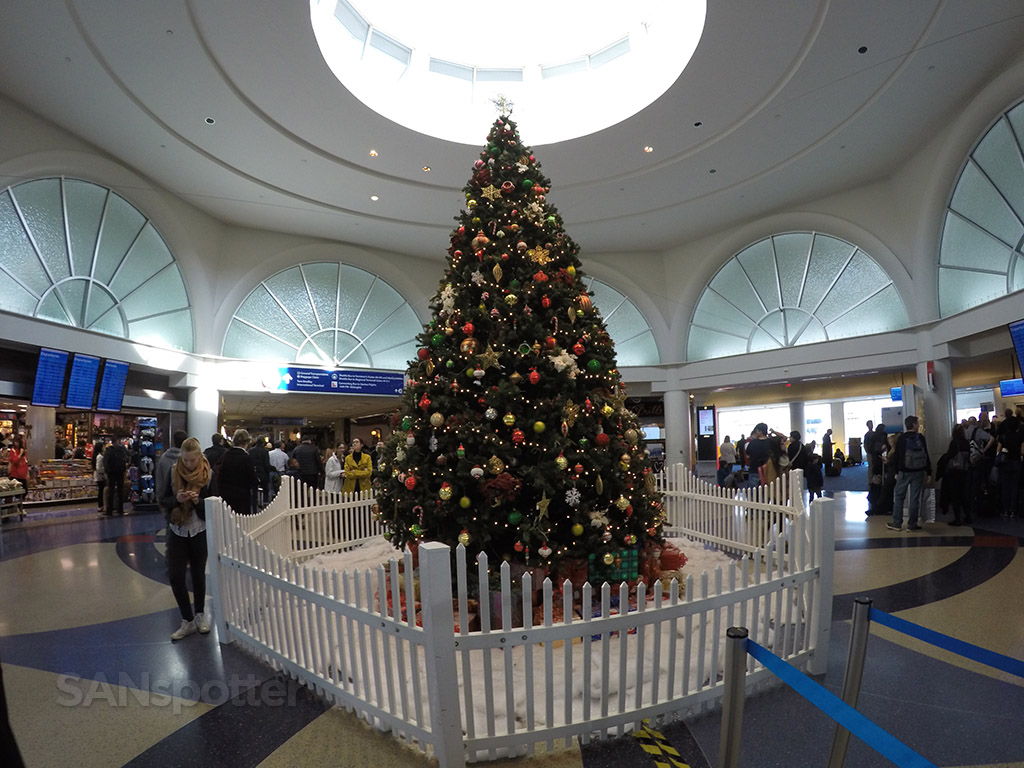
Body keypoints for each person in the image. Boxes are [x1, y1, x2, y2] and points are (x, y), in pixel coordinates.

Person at [160, 436, 213, 641]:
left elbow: (214, 503)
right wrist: (177, 500)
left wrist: (198, 501)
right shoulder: (174, 470)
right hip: (178, 529)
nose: (189, 464)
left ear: (199, 457)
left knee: (198, 575)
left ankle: (199, 615)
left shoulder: (208, 474)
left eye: (192, 460)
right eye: (186, 460)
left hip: (199, 529)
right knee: (175, 576)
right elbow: (163, 498)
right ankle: (187, 619)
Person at [887, 415, 931, 532]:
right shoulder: (920, 438)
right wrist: (929, 472)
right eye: (917, 423)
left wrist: (896, 471)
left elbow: (897, 456)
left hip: (904, 472)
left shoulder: (901, 438)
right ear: (913, 425)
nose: (918, 425)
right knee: (914, 498)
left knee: (899, 496)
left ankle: (897, 523)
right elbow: (926, 455)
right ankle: (912, 524)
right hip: (918, 471)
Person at [217, 429, 260, 515]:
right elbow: (252, 478)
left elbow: (220, 475)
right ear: (246, 443)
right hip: (242, 495)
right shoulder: (246, 458)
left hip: (227, 494)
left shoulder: (226, 455)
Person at [940, 424, 971, 525]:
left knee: (955, 496)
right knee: (964, 495)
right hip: (964, 471)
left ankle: (957, 518)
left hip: (954, 472)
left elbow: (950, 455)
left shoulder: (954, 443)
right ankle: (968, 516)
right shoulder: (966, 443)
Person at [155, 430, 188, 518]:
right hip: (186, 497)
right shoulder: (188, 459)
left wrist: (159, 498)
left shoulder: (164, 457)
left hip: (169, 498)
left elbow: (159, 478)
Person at [995, 416, 1023, 517]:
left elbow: (998, 450)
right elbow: (1022, 451)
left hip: (1005, 463)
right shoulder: (1020, 436)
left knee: (1005, 487)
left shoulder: (1003, 436)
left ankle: (1005, 510)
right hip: (1016, 462)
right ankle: (1013, 510)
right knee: (1014, 487)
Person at [103, 440, 129, 515]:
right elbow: (127, 458)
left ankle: (109, 510)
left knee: (110, 491)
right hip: (120, 472)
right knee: (120, 491)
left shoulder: (109, 450)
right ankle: (120, 509)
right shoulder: (122, 450)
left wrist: (107, 471)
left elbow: (106, 462)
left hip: (111, 473)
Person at [248, 435, 271, 507]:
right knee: (265, 490)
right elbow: (266, 464)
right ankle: (265, 503)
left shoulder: (250, 451)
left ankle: (254, 505)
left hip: (253, 473)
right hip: (263, 473)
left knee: (254, 491)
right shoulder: (265, 451)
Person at [92, 440, 107, 513]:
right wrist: (104, 471)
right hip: (100, 476)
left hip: (97, 475)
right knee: (101, 491)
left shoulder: (95, 455)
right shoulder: (100, 457)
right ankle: (101, 505)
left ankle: (101, 505)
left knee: (100, 491)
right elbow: (99, 468)